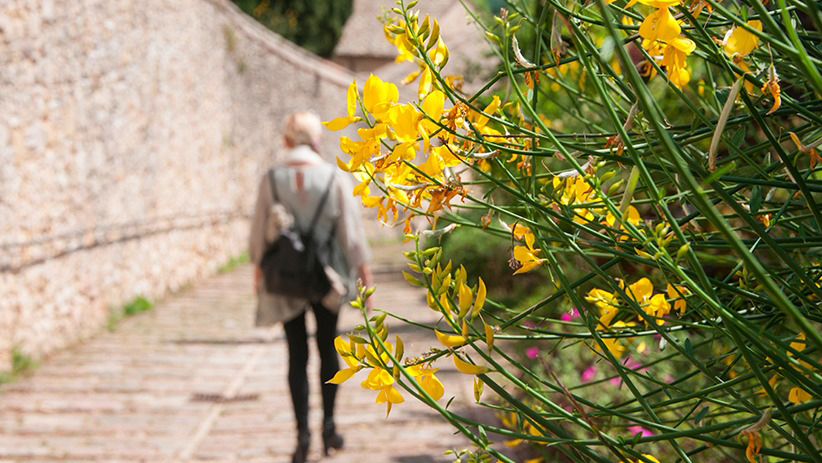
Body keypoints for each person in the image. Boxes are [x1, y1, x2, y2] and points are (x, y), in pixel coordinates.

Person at [248, 112, 372, 463]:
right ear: (317, 141)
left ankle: (301, 436)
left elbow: (260, 232)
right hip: (327, 276)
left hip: (285, 278)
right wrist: (363, 272)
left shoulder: (271, 179)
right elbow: (351, 233)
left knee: (296, 354)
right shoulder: (333, 177)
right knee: (328, 350)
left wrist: (258, 270)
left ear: (285, 141)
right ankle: (329, 428)